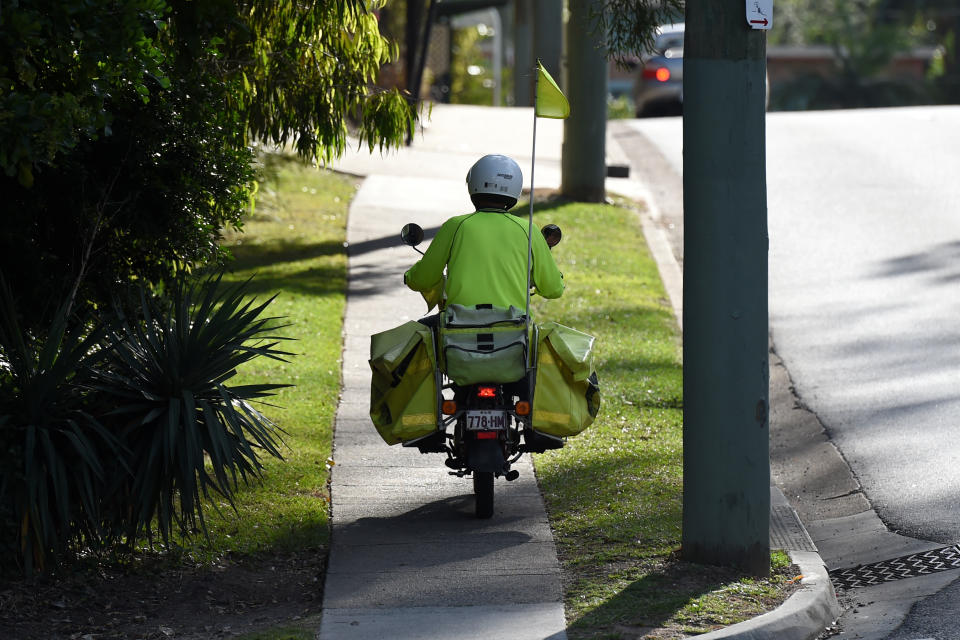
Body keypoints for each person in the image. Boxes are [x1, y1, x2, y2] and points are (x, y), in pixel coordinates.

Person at [403, 154, 564, 313]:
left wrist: (412, 275)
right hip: (514, 332)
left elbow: (422, 280)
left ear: (473, 183)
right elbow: (553, 289)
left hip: (457, 330)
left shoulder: (455, 226)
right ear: (516, 189)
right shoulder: (529, 230)